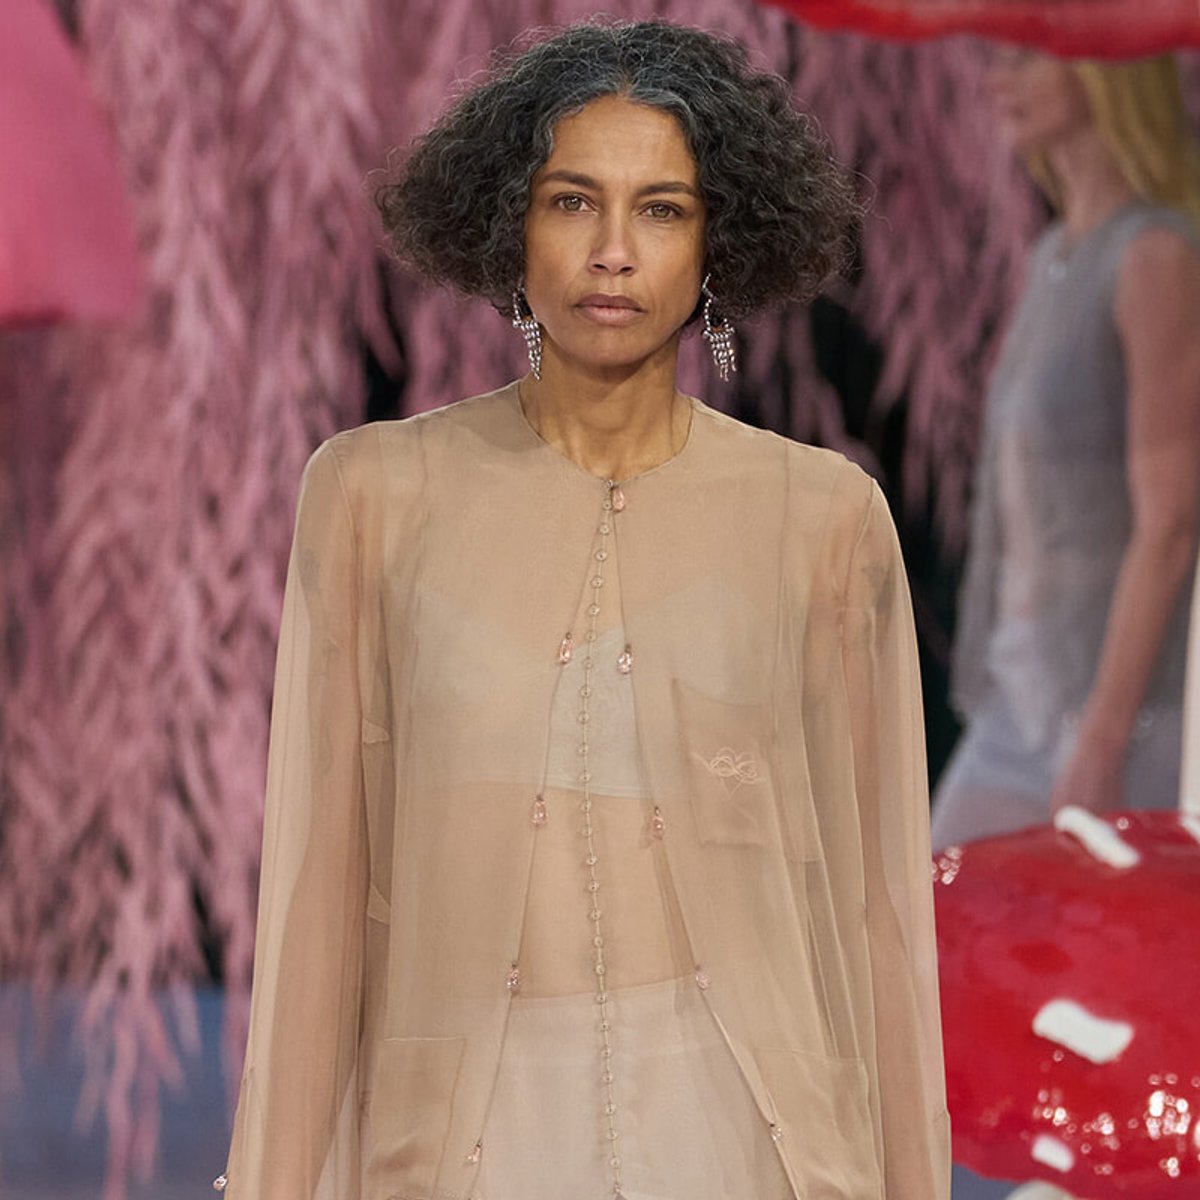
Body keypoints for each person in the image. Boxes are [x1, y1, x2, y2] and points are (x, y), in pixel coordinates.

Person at [218, 20, 949, 1200]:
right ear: (510, 224)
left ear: (721, 241)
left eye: (661, 209)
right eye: (572, 202)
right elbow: (321, 897)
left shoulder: (821, 520)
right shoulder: (373, 497)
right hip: (463, 1140)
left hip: (749, 1138)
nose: (614, 251)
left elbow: (873, 921)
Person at [932, 52, 1200, 853]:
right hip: (1020, 698)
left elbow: (1171, 523)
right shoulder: (1053, 258)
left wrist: (1104, 739)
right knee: (939, 939)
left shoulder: (1155, 257)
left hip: (1110, 717)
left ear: (1107, 73)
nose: (997, 75)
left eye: (1029, 55)